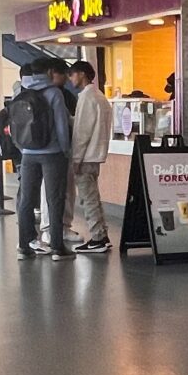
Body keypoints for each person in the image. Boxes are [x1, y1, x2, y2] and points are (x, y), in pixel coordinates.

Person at [7, 59, 73, 260]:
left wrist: (23, 148)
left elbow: (15, 125)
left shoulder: (20, 92)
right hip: (52, 154)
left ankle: (24, 246)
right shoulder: (54, 93)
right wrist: (65, 149)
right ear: (49, 72)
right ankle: (57, 247)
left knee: (27, 200)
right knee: (55, 199)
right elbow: (61, 125)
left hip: (28, 154)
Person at [66, 60, 112, 253]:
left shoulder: (86, 97)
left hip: (85, 157)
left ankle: (98, 238)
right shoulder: (100, 96)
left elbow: (82, 131)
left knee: (88, 199)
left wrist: (76, 159)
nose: (70, 78)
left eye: (72, 74)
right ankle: (102, 235)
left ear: (82, 74)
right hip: (96, 155)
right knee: (93, 197)